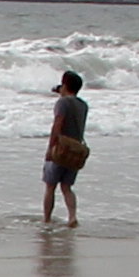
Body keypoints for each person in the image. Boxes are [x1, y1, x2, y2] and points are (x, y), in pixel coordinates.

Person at [43, 70, 89, 227]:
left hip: (61, 149)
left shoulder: (62, 103)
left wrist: (50, 148)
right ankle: (72, 216)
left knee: (50, 186)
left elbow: (58, 124)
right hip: (76, 150)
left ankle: (47, 219)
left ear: (65, 85)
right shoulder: (83, 105)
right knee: (66, 187)